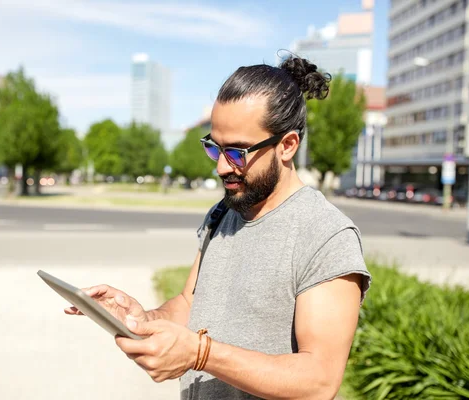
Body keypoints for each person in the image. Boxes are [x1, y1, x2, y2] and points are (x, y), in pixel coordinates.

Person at [65, 55, 371, 400]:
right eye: (215, 148)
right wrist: (142, 319)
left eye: (238, 152)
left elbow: (319, 381)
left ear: (287, 146)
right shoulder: (222, 213)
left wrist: (201, 353)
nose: (222, 167)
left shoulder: (325, 236)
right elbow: (188, 303)